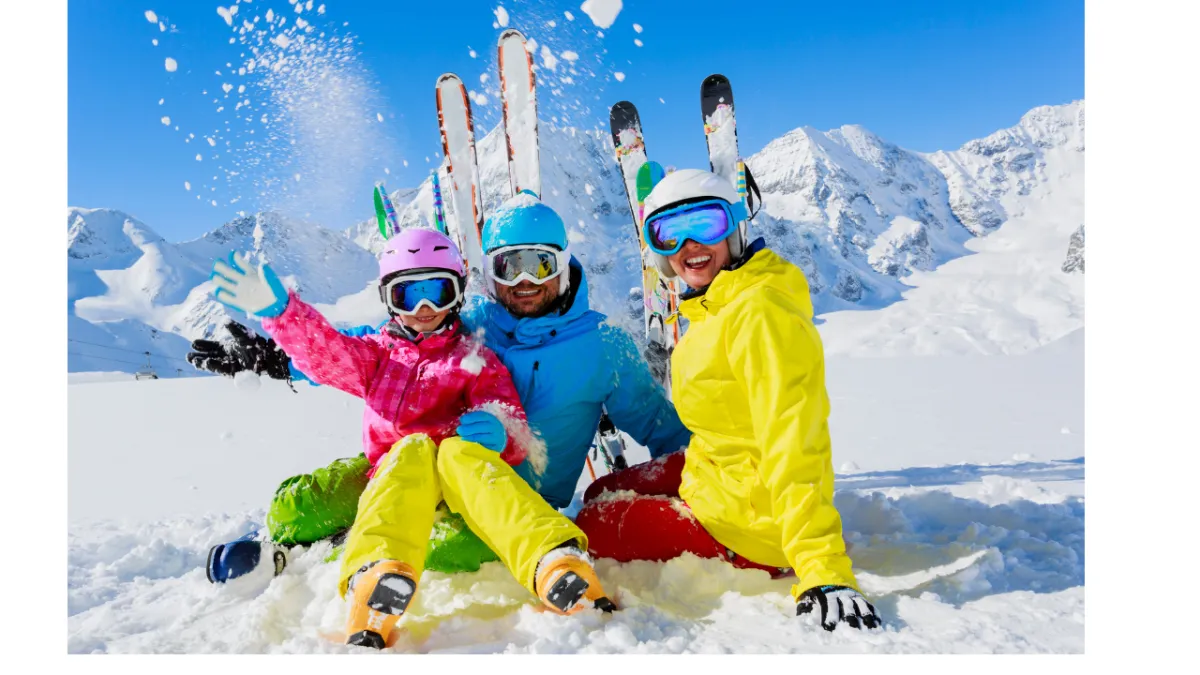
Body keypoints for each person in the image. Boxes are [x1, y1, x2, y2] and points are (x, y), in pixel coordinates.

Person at [196, 191, 690, 583]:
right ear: (485, 274)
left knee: (449, 544)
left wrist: (701, 482)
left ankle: (344, 554)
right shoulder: (468, 322)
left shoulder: (604, 346)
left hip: (513, 499)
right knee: (319, 498)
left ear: (563, 263)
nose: (522, 281)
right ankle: (316, 533)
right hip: (411, 475)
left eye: (538, 265)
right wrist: (273, 354)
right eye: (506, 266)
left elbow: (658, 426)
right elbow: (361, 356)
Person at [208, 228, 613, 648]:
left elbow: (510, 420)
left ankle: (553, 561)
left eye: (437, 291)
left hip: (459, 487)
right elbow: (329, 356)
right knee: (356, 478)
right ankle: (371, 565)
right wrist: (283, 313)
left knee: (454, 463)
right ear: (388, 299)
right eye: (408, 295)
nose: (423, 308)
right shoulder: (377, 355)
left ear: (456, 293)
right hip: (391, 477)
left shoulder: (473, 359)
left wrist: (499, 429)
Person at [573, 168, 882, 632]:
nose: (688, 247)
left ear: (735, 228)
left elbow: (796, 439)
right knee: (598, 491)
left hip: (750, 522)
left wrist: (821, 566)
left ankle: (754, 551)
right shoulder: (719, 300)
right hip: (718, 473)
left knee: (593, 524)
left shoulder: (759, 314)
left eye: (705, 225)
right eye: (669, 234)